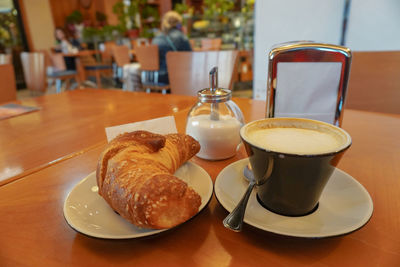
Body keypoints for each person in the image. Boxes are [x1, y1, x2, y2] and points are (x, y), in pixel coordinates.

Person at [152, 11, 192, 84]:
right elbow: (191, 57)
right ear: (179, 24)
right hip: (174, 78)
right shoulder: (181, 37)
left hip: (155, 76)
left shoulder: (156, 38)